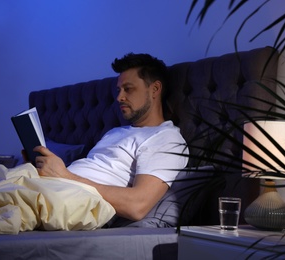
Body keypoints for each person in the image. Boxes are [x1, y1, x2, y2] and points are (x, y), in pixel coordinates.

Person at [33, 53, 189, 221]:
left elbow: (137, 206)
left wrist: (66, 176)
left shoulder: (166, 139)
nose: (119, 97)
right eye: (119, 90)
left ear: (155, 89)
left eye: (128, 89)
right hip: (53, 188)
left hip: (70, 201)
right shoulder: (115, 132)